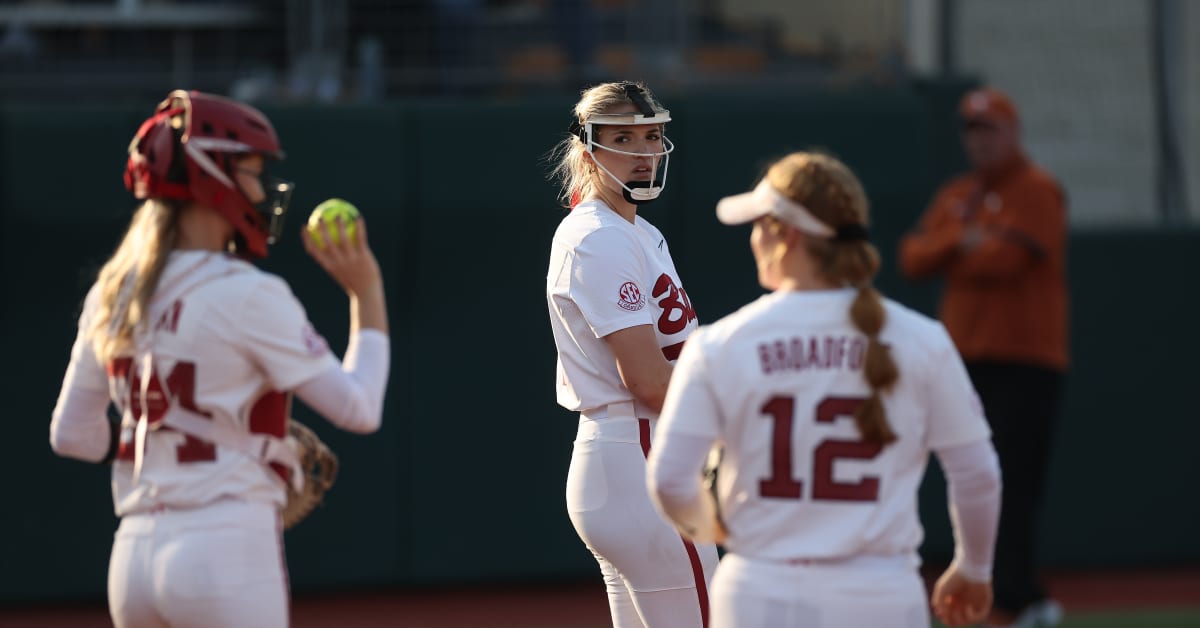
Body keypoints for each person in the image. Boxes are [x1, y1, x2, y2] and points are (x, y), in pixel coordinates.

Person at [49, 90, 390, 628]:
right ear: (214, 180)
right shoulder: (246, 291)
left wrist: (165, 437)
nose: (261, 190)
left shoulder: (110, 291)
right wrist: (366, 291)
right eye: (252, 174)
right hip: (222, 547)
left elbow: (72, 437)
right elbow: (359, 408)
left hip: (132, 554)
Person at [646, 151, 1002, 628]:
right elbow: (978, 473)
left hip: (759, 590)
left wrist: (704, 523)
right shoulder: (921, 340)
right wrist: (974, 568)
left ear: (785, 234)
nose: (753, 238)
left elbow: (670, 480)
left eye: (759, 224)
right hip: (879, 594)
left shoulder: (719, 344)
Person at [545, 81, 718, 628]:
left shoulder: (633, 231)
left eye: (652, 137)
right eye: (623, 138)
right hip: (638, 452)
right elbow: (648, 380)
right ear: (589, 146)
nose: (643, 153)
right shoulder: (599, 236)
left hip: (627, 462)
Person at [899, 86, 1068, 628]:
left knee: (1009, 481)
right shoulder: (957, 193)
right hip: (961, 362)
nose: (981, 141)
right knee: (959, 472)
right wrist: (961, 241)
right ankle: (998, 589)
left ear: (1012, 132)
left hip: (1024, 359)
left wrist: (958, 245)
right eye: (972, 131)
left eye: (989, 129)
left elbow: (1004, 261)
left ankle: (1018, 598)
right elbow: (912, 256)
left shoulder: (1036, 189)